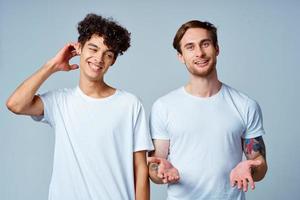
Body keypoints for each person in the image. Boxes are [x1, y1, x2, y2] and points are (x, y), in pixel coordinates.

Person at [6, 13, 153, 200]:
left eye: (107, 54)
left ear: (113, 61)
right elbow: (15, 104)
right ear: (80, 48)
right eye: (93, 49)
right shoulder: (59, 101)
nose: (99, 59)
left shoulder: (130, 104)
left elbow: (140, 168)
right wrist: (52, 65)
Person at [148, 20, 267, 200]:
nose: (200, 53)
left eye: (205, 44)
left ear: (217, 49)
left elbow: (260, 162)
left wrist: (250, 167)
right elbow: (155, 166)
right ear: (181, 56)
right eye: (190, 47)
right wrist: (161, 170)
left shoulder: (245, 105)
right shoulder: (163, 107)